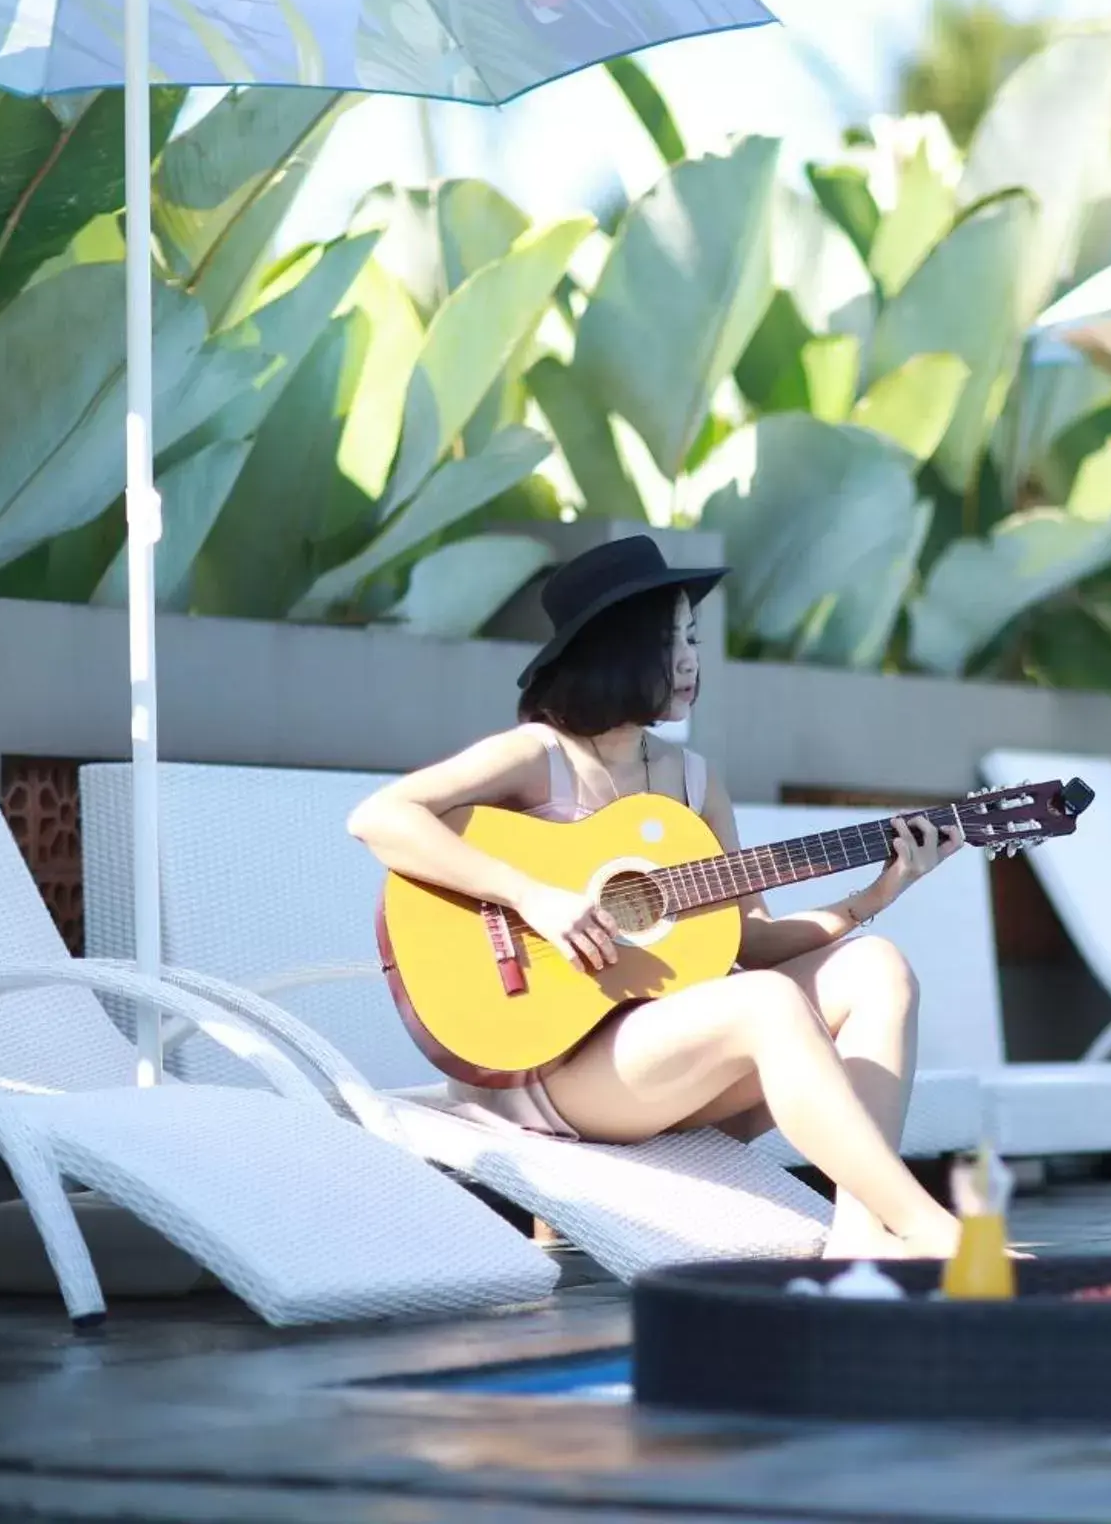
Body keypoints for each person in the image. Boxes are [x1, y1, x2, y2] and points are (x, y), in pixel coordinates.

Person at [346, 536, 967, 1259]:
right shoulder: (539, 759)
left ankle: (863, 1236)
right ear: (614, 650)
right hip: (554, 1069)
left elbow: (749, 940)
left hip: (668, 1067)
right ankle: (923, 1224)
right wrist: (535, 896)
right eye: (669, 641)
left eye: (694, 639)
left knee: (876, 966)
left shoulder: (696, 783)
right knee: (765, 1003)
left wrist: (874, 895)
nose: (690, 660)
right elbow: (380, 818)